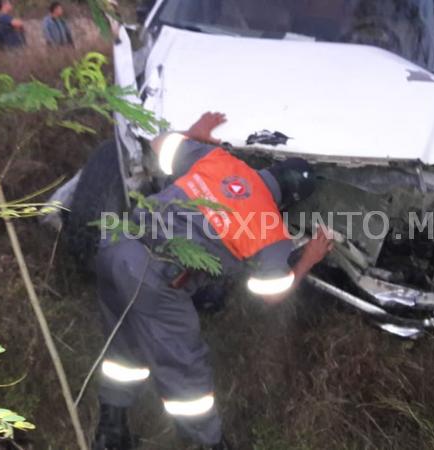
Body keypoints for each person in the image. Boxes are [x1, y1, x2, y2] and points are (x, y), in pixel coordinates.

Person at [78, 112, 334, 450]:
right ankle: (208, 444)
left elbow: (158, 145)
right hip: (155, 276)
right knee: (185, 373)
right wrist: (309, 259)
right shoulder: (271, 229)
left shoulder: (217, 159)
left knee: (124, 343)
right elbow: (272, 294)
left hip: (116, 244)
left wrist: (194, 133)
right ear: (290, 199)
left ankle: (111, 435)